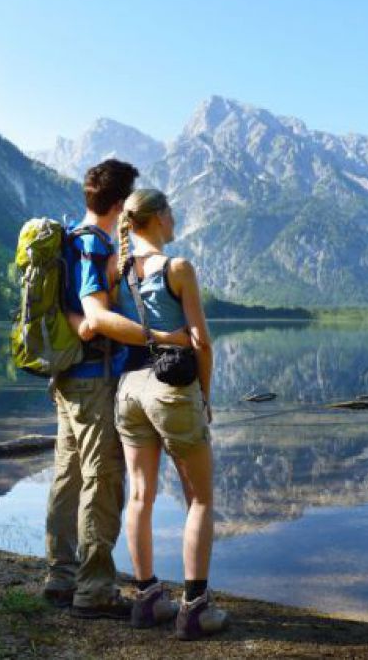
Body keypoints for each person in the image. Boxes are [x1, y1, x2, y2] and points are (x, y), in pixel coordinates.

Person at [44, 160, 188, 619]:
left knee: (67, 477)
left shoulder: (69, 236)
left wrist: (82, 321)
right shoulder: (91, 244)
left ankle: (60, 576)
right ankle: (95, 589)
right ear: (122, 203)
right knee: (103, 481)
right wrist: (159, 338)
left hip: (67, 378)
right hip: (92, 381)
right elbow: (96, 318)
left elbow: (76, 316)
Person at [108, 188, 226, 640]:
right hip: (172, 390)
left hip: (130, 390)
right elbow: (202, 342)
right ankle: (194, 608)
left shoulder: (118, 271)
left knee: (140, 495)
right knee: (200, 498)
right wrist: (206, 396)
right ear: (158, 218)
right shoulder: (177, 268)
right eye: (172, 213)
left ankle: (146, 598)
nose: (176, 219)